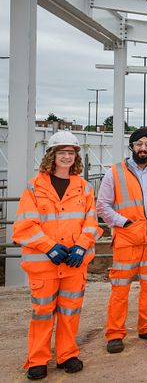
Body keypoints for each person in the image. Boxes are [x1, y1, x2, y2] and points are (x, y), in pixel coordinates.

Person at [13, 131, 102, 380]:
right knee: (42, 314)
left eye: (71, 153)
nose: (66, 157)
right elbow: (24, 226)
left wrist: (82, 246)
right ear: (51, 155)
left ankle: (67, 355)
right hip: (44, 264)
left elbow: (91, 222)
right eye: (61, 152)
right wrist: (48, 247)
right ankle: (37, 360)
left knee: (70, 312)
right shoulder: (34, 187)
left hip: (74, 263)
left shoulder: (83, 188)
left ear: (76, 157)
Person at [97, 128, 147, 354]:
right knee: (120, 290)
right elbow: (102, 206)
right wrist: (123, 222)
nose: (143, 148)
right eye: (139, 144)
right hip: (126, 240)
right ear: (132, 146)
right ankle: (115, 334)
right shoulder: (114, 172)